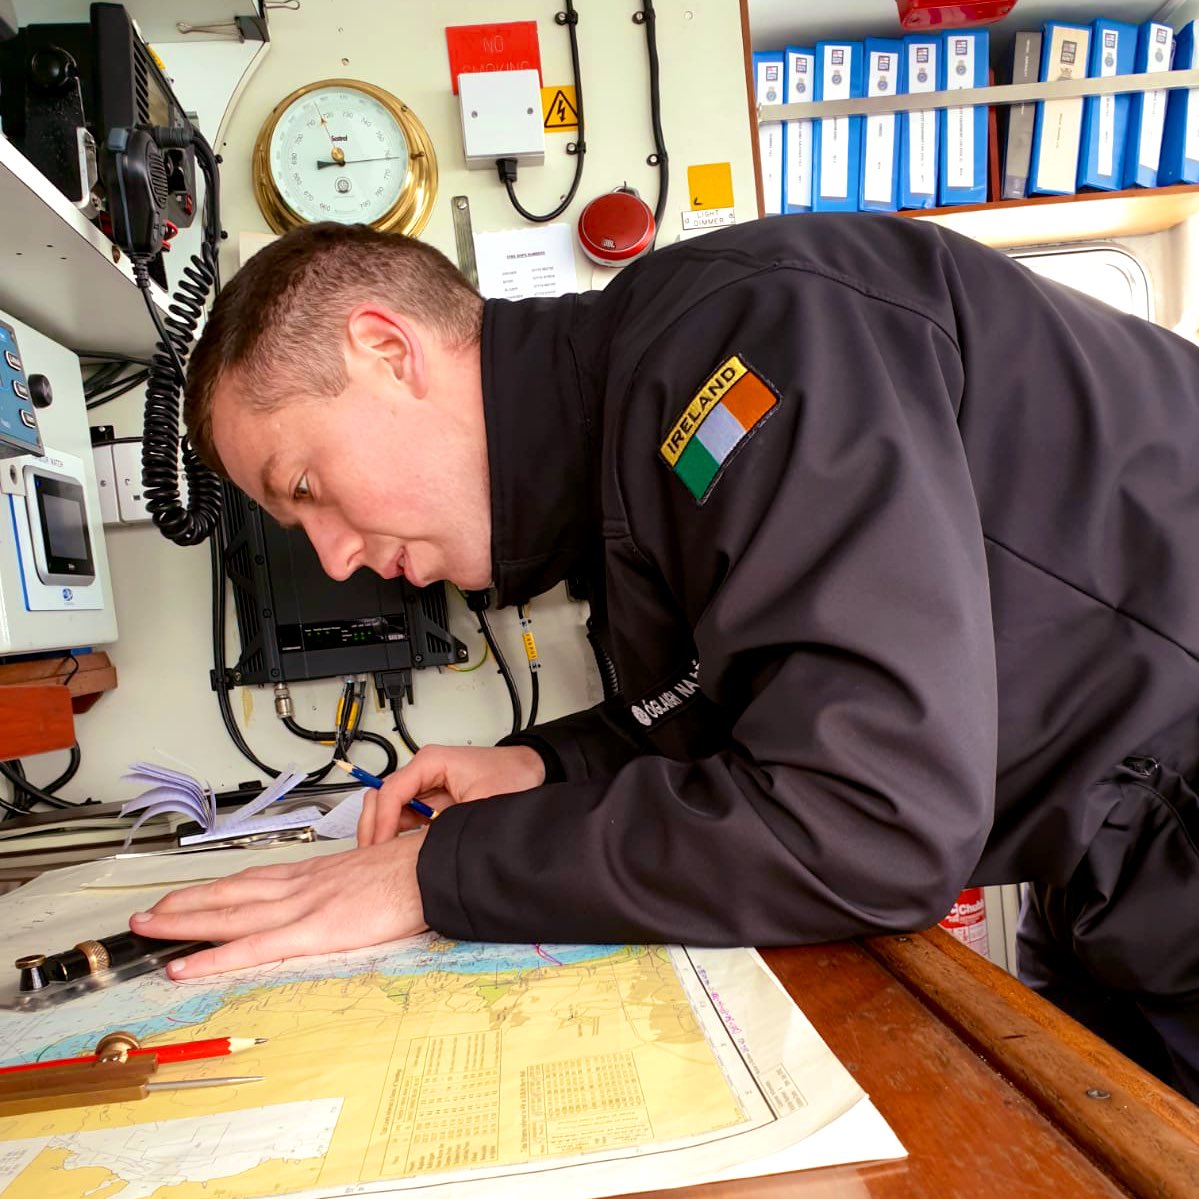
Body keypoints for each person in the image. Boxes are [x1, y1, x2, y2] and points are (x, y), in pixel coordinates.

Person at [131, 214, 1199, 1101]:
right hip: (1110, 855)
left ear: (386, 350)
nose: (333, 555)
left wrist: (434, 870)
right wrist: (549, 767)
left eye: (304, 486)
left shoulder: (745, 345)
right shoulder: (628, 449)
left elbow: (868, 819)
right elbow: (745, 703)